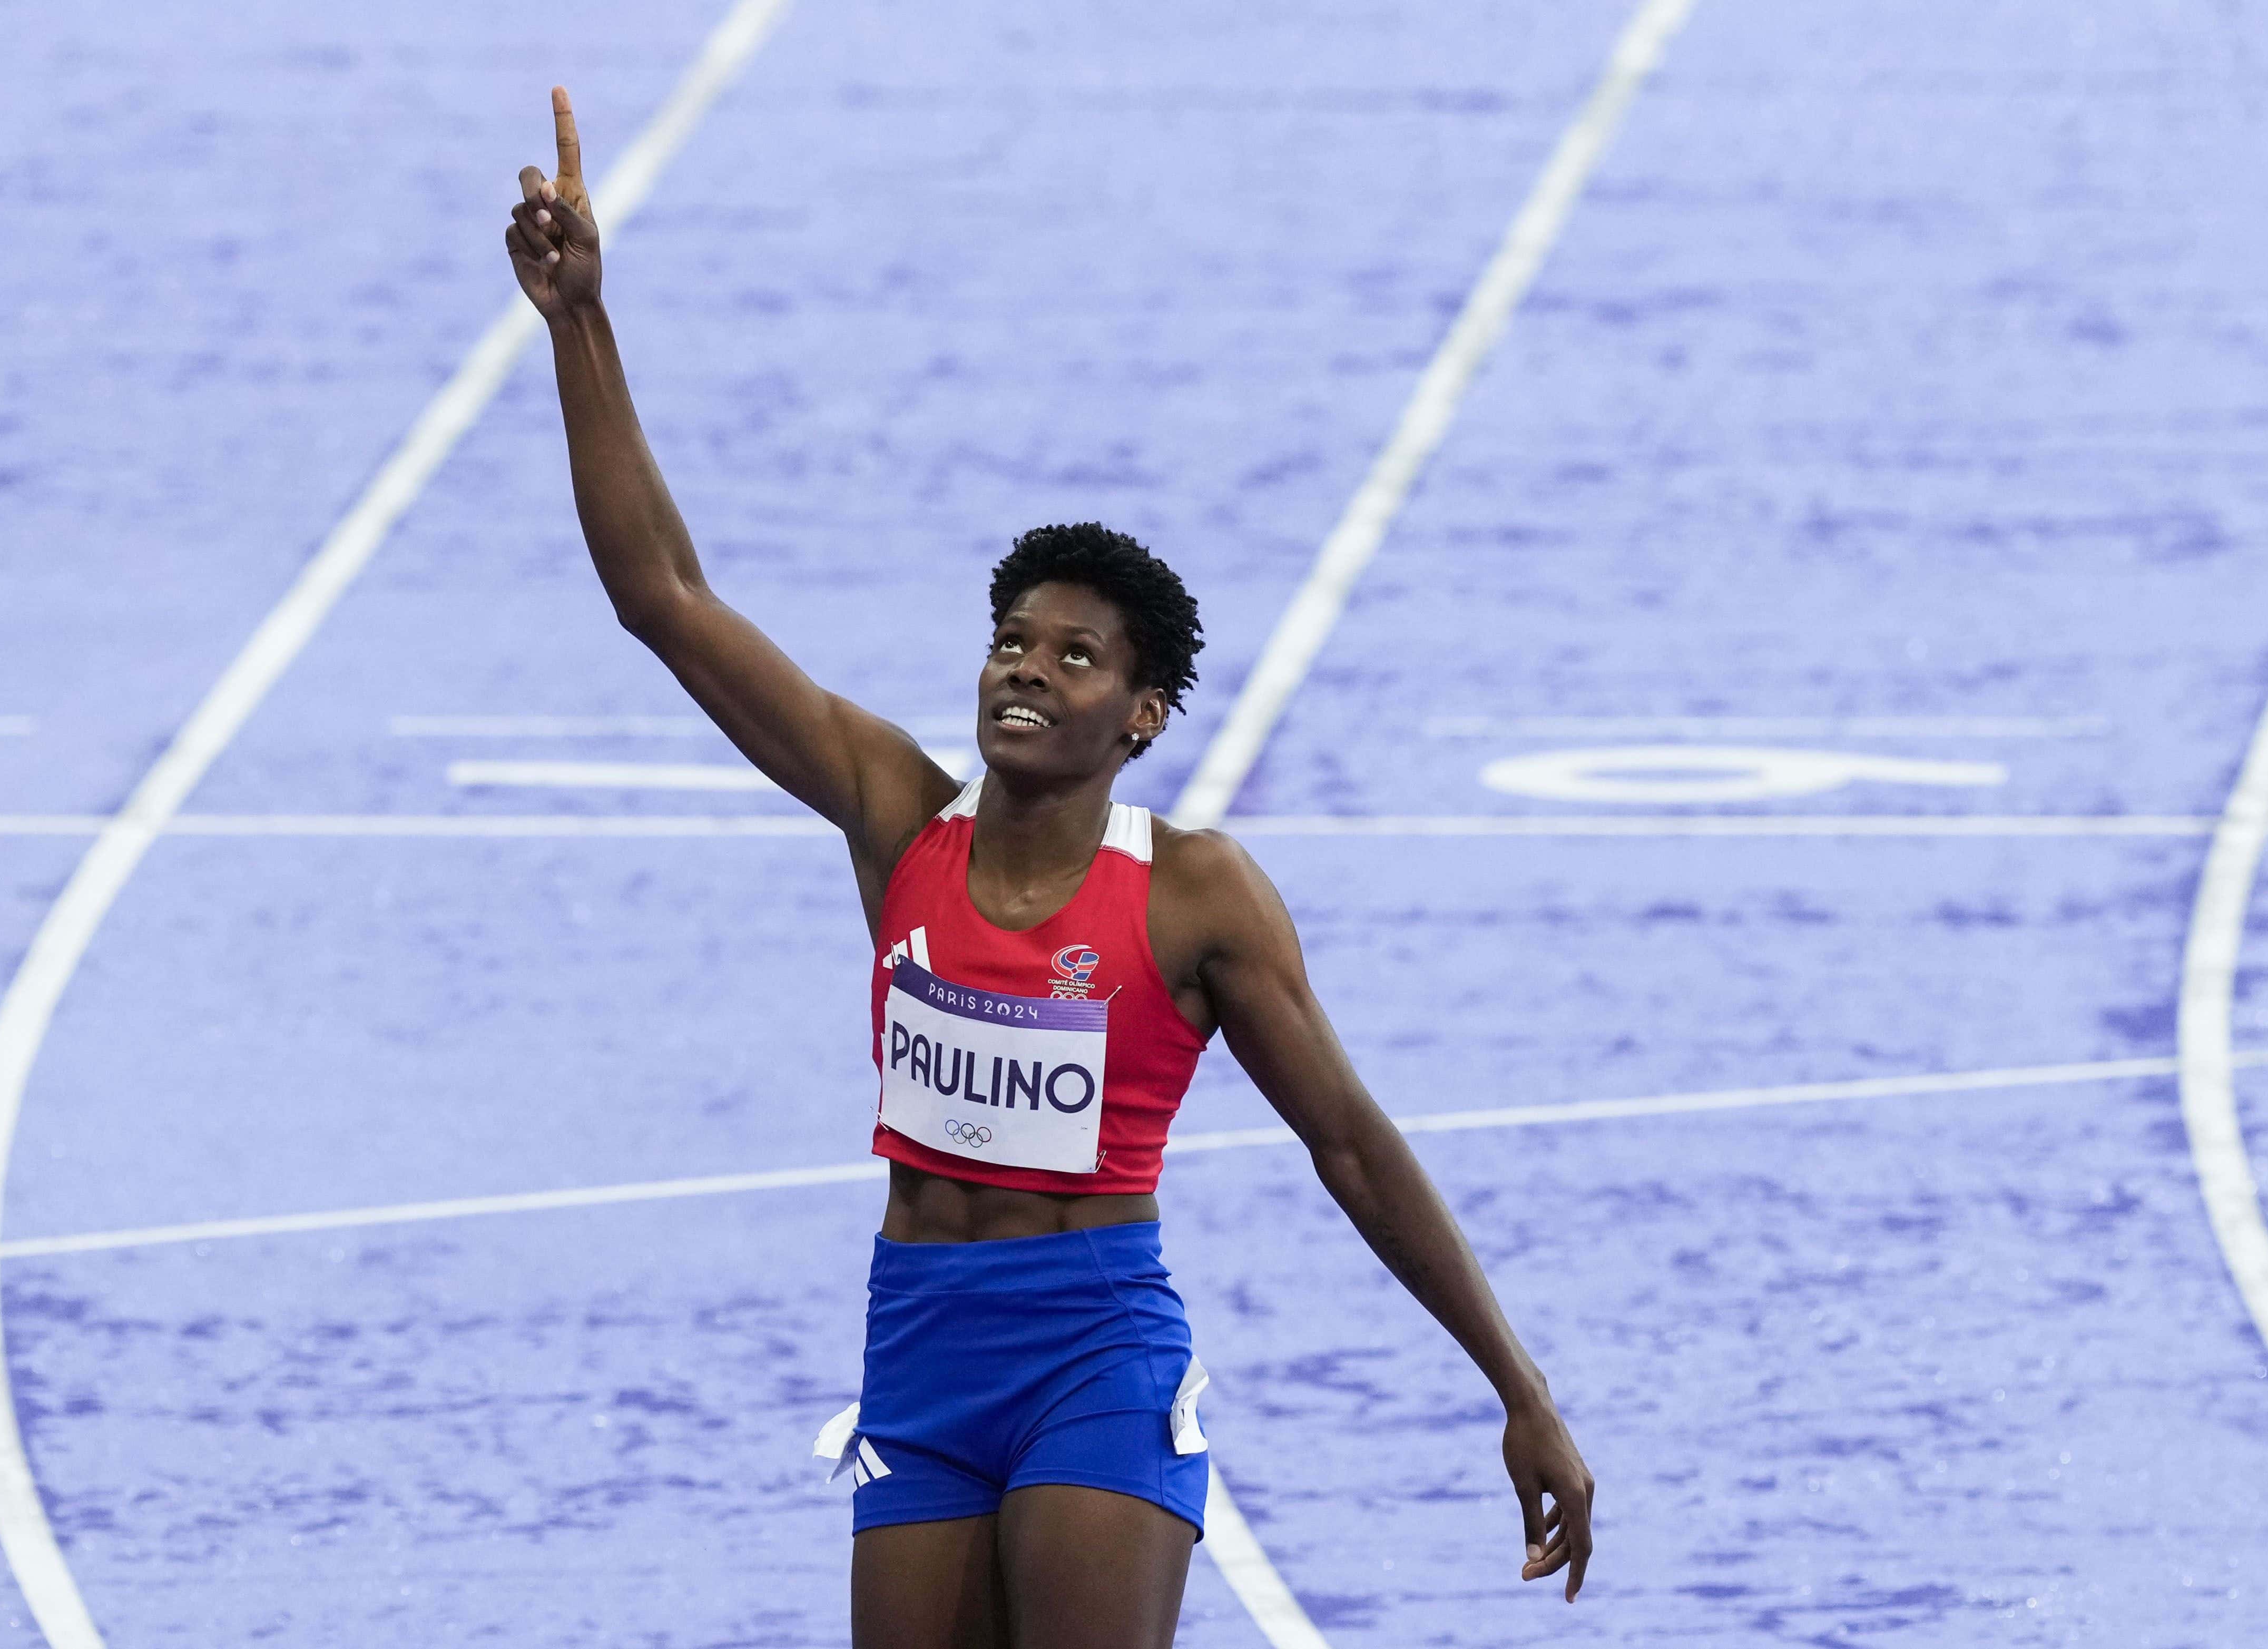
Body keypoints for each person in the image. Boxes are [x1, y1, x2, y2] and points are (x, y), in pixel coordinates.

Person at [507, 86, 1596, 1649]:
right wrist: (580, 327)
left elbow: (1351, 1144)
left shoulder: (1197, 894)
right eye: (1011, 639)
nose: (1026, 669)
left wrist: (1519, 1388)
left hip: (1093, 1350)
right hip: (921, 1344)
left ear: (1141, 715)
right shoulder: (895, 812)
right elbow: (663, 594)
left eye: (1075, 655)